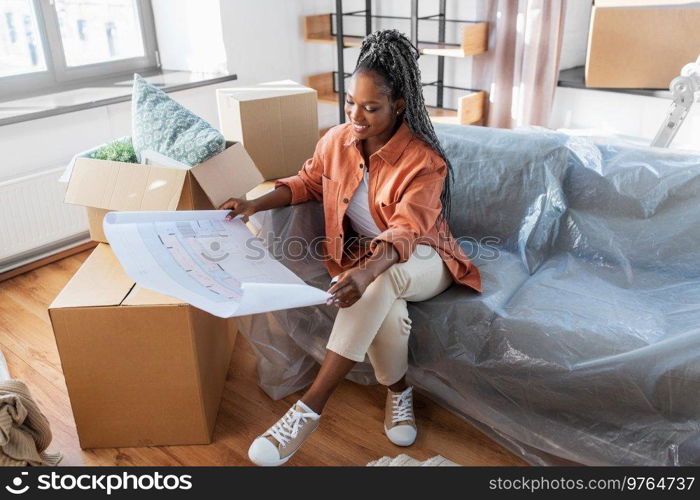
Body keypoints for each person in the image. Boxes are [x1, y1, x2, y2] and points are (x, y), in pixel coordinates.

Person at [219, 29, 482, 466]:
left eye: (371, 107)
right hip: (373, 261)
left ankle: (308, 409)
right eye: (350, 103)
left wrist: (362, 272)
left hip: (426, 258)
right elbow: (306, 182)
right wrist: (253, 203)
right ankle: (399, 392)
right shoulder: (335, 141)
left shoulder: (424, 162)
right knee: (386, 306)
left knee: (384, 277)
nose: (356, 116)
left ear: (399, 105)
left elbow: (404, 231)